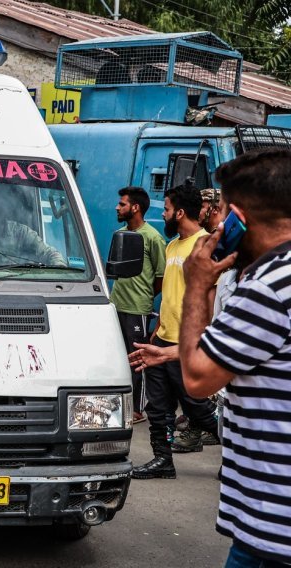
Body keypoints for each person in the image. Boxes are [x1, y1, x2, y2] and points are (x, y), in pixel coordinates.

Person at [179, 148, 291, 567]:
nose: (216, 221)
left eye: (222, 211)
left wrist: (198, 286)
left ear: (239, 219)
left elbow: (197, 377)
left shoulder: (267, 287)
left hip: (272, 532)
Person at [131, 183, 218, 480]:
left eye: (167, 209)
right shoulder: (171, 246)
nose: (164, 214)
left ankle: (239, 455)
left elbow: (210, 299)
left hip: (189, 345)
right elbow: (170, 293)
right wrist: (156, 331)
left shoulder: (207, 245)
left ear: (179, 212)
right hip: (162, 341)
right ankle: (162, 461)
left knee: (199, 409)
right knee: (159, 408)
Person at [109, 186, 165, 422]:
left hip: (137, 309)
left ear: (135, 207)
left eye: (122, 204)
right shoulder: (120, 234)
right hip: (116, 305)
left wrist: (144, 298)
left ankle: (137, 409)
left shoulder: (152, 237)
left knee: (138, 360)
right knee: (117, 357)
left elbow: (161, 276)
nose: (117, 207)